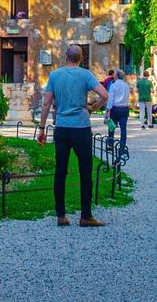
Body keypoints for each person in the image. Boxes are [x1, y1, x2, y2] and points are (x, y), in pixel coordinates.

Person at [37, 43, 110, 228]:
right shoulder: (85, 75)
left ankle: (61, 216)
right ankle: (86, 216)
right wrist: (93, 107)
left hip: (62, 127)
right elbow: (104, 95)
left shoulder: (54, 75)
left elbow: (46, 104)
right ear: (82, 59)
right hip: (81, 128)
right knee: (85, 172)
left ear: (65, 56)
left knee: (60, 171)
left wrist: (42, 128)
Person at [106, 68, 131, 151]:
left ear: (116, 76)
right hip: (125, 108)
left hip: (115, 108)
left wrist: (108, 110)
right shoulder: (126, 85)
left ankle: (110, 144)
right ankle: (122, 146)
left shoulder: (113, 85)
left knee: (111, 127)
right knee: (123, 128)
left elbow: (110, 99)